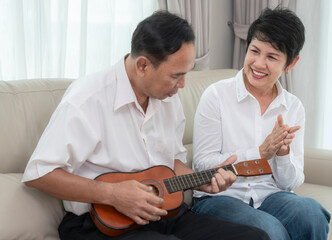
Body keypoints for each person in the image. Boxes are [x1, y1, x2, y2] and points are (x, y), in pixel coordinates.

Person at [22, 11, 270, 240]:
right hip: (99, 224)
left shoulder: (168, 98)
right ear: (142, 65)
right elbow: (39, 173)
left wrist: (200, 180)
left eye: (186, 73)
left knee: (254, 237)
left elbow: (170, 163)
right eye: (176, 75)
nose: (183, 85)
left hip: (163, 214)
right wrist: (113, 195)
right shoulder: (87, 98)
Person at [191, 7, 331, 240]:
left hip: (270, 196)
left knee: (311, 213)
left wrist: (283, 154)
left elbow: (291, 184)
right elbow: (202, 166)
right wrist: (260, 153)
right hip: (219, 198)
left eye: (272, 57)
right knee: (268, 231)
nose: (258, 63)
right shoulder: (216, 95)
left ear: (291, 63)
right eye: (254, 51)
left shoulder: (293, 107)